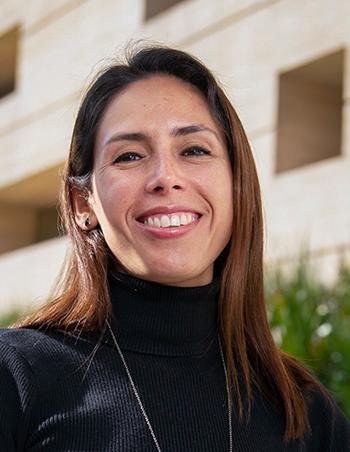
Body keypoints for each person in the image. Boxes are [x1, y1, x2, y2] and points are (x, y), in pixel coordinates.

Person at [0, 44, 349, 452]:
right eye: (129, 155)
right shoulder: (16, 377)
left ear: (237, 185)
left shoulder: (305, 411)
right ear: (83, 204)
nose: (166, 177)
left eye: (194, 150)